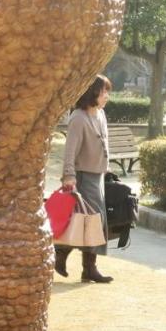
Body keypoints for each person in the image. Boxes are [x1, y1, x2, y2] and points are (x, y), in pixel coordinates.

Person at [57, 74, 114, 283]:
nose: (107, 95)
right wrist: (69, 176)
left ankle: (70, 258)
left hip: (97, 175)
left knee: (89, 222)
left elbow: (103, 144)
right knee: (90, 221)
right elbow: (70, 151)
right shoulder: (78, 118)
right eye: (103, 91)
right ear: (93, 93)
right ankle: (77, 262)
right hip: (82, 176)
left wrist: (106, 168)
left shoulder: (100, 114)